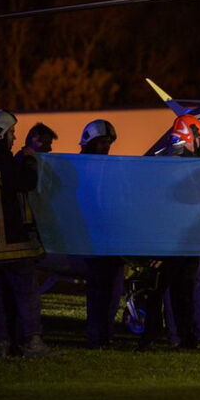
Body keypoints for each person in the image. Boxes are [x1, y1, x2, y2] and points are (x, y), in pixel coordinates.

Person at [0, 109, 50, 358]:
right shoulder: (3, 158)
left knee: (3, 297)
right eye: (12, 132)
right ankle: (33, 343)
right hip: (14, 241)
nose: (15, 138)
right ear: (2, 133)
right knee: (28, 294)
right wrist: (29, 161)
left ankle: (4, 345)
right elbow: (24, 184)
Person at [138, 114, 200, 350]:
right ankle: (176, 338)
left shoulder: (163, 158)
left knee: (168, 291)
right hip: (177, 237)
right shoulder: (184, 162)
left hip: (172, 237)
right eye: (198, 138)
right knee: (174, 291)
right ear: (189, 134)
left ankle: (166, 337)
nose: (199, 143)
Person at [79, 119, 124, 349]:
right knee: (98, 291)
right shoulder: (79, 168)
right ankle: (96, 336)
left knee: (113, 292)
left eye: (108, 143)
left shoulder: (110, 167)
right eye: (102, 143)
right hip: (93, 241)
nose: (106, 147)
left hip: (111, 240)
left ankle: (106, 335)